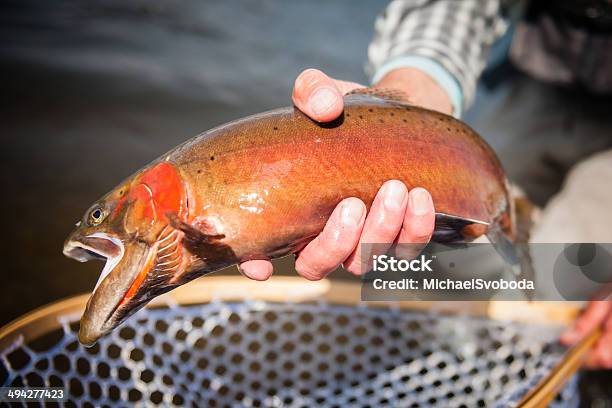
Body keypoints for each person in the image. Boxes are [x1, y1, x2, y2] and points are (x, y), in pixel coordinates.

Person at [242, 0, 612, 369]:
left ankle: (527, 359)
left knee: (561, 283)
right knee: (434, 256)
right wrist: (406, 100)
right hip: (543, 81)